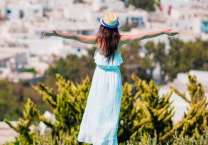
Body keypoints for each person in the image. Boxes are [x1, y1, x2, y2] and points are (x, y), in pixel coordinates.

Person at [42, 11, 178, 145]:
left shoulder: (97, 40)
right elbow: (142, 36)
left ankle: (90, 139)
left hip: (100, 76)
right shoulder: (121, 40)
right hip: (113, 77)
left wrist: (56, 34)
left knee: (95, 108)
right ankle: (106, 140)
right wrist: (163, 31)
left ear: (102, 27)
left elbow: (75, 37)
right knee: (111, 111)